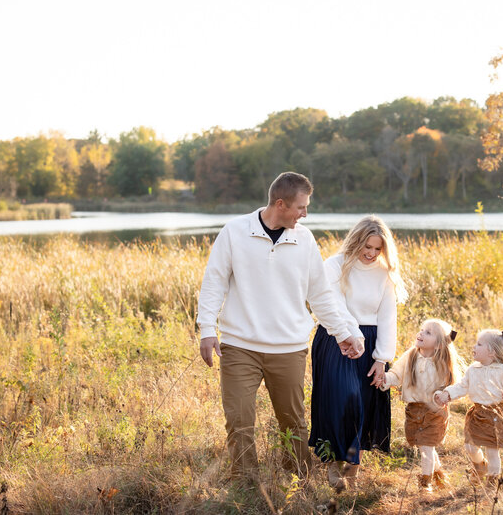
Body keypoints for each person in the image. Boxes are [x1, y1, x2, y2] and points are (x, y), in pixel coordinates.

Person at [196, 172, 364, 482]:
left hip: (288, 348)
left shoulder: (304, 239)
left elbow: (320, 295)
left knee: (293, 422)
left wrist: (343, 333)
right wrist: (207, 328)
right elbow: (214, 282)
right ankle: (246, 483)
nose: (305, 214)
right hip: (239, 346)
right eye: (301, 207)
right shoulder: (235, 232)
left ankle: (297, 480)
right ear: (281, 203)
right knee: (239, 420)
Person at [309, 215, 407, 490]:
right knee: (340, 400)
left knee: (362, 403)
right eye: (368, 246)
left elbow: (388, 316)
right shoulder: (335, 265)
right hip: (335, 338)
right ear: (356, 240)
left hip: (372, 343)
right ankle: (332, 464)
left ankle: (352, 469)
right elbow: (332, 304)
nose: (372, 253)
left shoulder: (384, 273)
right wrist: (351, 333)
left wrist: (381, 359)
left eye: (378, 249)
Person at [380, 319, 466, 492]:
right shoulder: (411, 355)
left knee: (426, 446)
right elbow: (397, 373)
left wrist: (442, 395)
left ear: (439, 344)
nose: (420, 333)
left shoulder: (442, 361)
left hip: (434, 411)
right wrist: (386, 380)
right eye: (421, 330)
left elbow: (451, 384)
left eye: (428, 333)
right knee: (424, 445)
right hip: (414, 410)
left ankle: (425, 484)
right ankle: (439, 472)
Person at [434, 329, 503, 489]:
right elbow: (462, 387)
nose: (474, 346)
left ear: (492, 352)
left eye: (479, 344)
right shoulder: (473, 369)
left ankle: (493, 480)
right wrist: (446, 394)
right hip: (477, 413)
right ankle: (480, 465)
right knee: (470, 446)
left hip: (496, 414)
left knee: (492, 450)